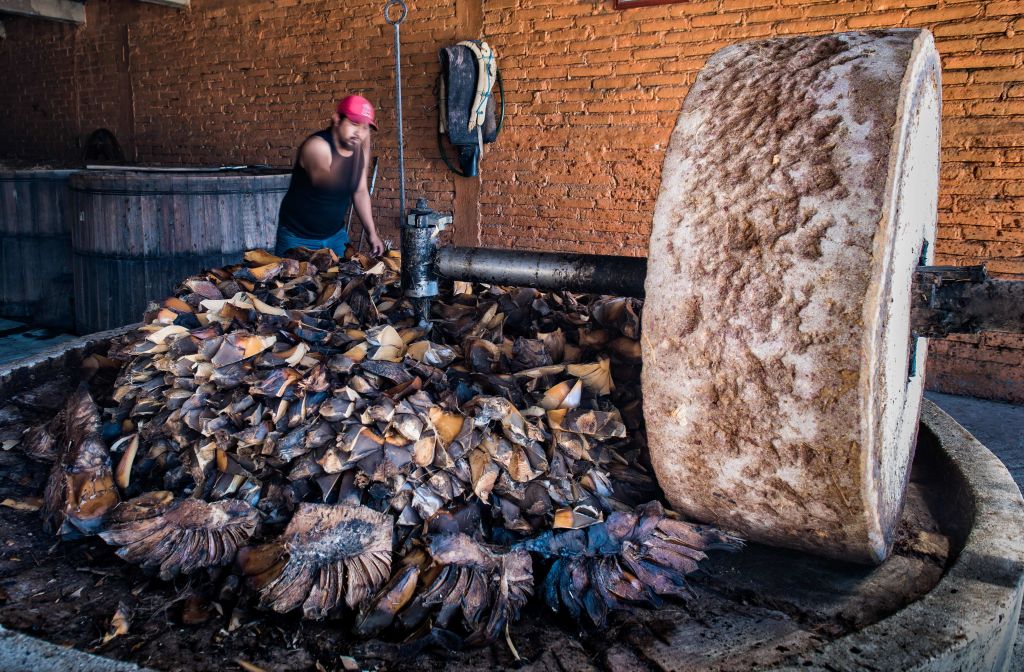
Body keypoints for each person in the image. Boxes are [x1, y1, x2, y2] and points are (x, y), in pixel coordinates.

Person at [275, 95, 385, 257]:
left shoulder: (357, 149)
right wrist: (361, 150)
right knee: (291, 282)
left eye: (364, 128)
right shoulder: (316, 146)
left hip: (335, 236)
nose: (359, 133)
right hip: (297, 238)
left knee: (344, 280)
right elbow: (324, 181)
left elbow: (360, 191)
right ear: (337, 120)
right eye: (354, 124)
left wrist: (372, 234)